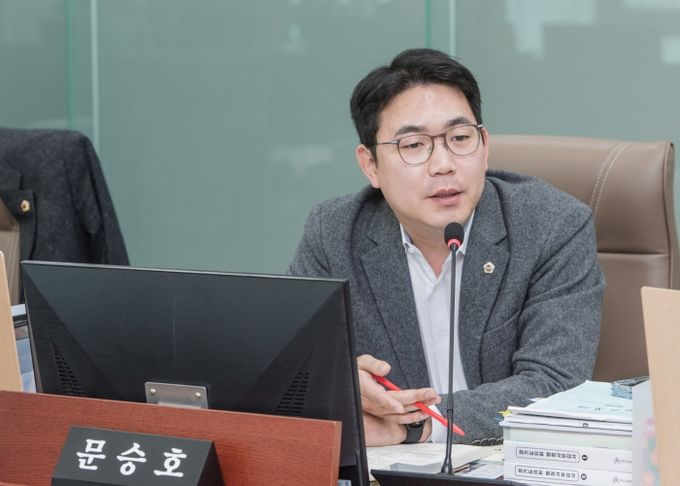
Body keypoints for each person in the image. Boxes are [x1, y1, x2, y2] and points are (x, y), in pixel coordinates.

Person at [288, 48, 605, 447]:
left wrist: (416, 426)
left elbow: (555, 383)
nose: (443, 164)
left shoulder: (551, 226)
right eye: (413, 145)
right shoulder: (334, 234)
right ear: (370, 165)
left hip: (513, 460)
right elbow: (295, 371)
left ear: (484, 146)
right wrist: (343, 381)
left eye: (459, 138)